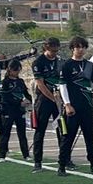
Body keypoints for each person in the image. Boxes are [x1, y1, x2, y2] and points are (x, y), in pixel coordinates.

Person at [57, 36, 93, 176]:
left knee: (90, 137)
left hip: (87, 107)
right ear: (72, 48)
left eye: (83, 47)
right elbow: (62, 86)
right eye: (77, 47)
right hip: (72, 108)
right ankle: (62, 165)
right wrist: (67, 104)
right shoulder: (66, 65)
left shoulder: (90, 65)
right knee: (68, 137)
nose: (80, 49)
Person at [30, 37, 63, 172]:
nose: (54, 53)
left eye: (56, 51)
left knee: (62, 129)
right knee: (40, 130)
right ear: (46, 48)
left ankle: (64, 159)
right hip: (44, 99)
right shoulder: (38, 62)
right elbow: (40, 84)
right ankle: (38, 162)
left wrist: (61, 98)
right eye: (52, 50)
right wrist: (53, 99)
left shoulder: (60, 61)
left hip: (59, 98)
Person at [0, 60, 32, 161]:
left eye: (18, 70)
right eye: (15, 70)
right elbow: (5, 97)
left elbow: (26, 93)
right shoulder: (5, 82)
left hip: (19, 111)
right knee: (5, 133)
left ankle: (26, 154)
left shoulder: (20, 81)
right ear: (10, 69)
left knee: (22, 133)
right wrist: (18, 102)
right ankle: (2, 155)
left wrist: (28, 100)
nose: (17, 72)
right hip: (8, 110)